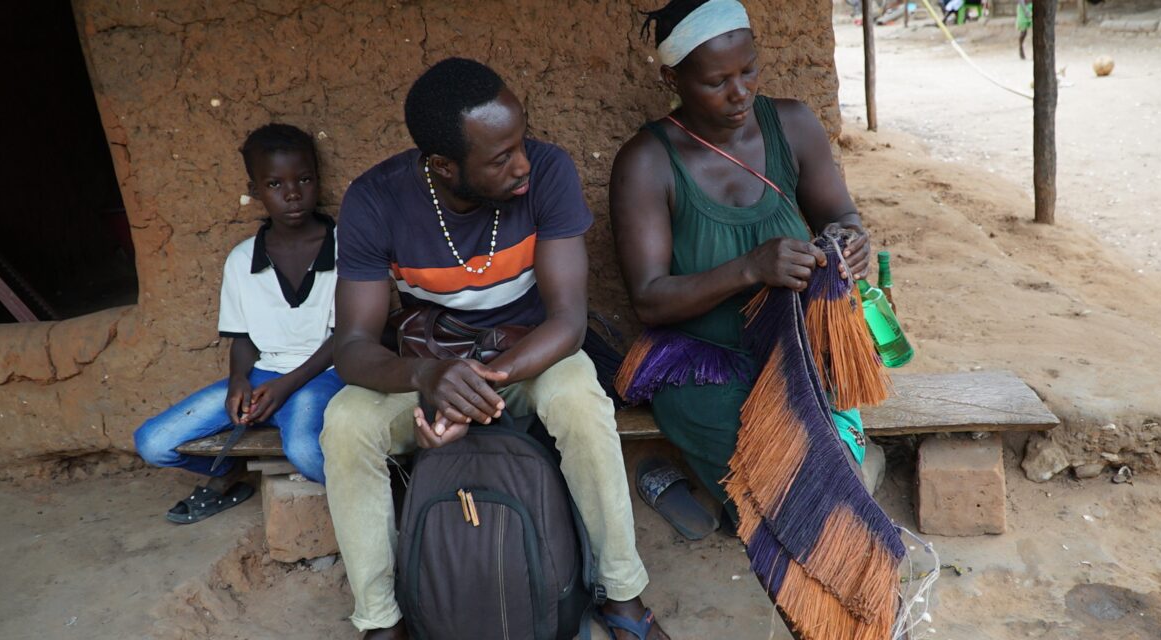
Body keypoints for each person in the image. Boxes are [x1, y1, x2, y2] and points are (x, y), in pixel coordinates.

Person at [321, 58, 668, 640]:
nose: (522, 163)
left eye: (520, 141)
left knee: (580, 398)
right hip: (433, 370)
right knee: (345, 421)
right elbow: (352, 348)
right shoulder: (375, 200)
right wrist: (429, 378)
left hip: (528, 358)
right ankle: (381, 621)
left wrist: (480, 385)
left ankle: (622, 594)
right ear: (443, 166)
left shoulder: (549, 173)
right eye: (500, 157)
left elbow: (568, 323)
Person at [609, 0, 875, 529]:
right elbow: (650, 298)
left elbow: (840, 214)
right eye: (716, 81)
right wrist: (749, 269)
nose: (740, 92)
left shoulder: (793, 125)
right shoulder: (648, 162)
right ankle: (827, 496)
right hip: (700, 362)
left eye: (748, 69)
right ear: (672, 78)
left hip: (795, 345)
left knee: (811, 456)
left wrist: (851, 239)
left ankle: (788, 503)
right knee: (782, 476)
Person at [134, 123, 341, 522]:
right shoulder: (241, 260)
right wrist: (239, 382)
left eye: (304, 179)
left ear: (318, 178)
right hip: (265, 375)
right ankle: (228, 474)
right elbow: (243, 339)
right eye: (275, 184)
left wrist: (284, 386)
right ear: (256, 189)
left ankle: (388, 492)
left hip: (326, 374)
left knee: (304, 450)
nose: (293, 194)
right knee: (153, 442)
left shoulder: (347, 246)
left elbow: (347, 337)